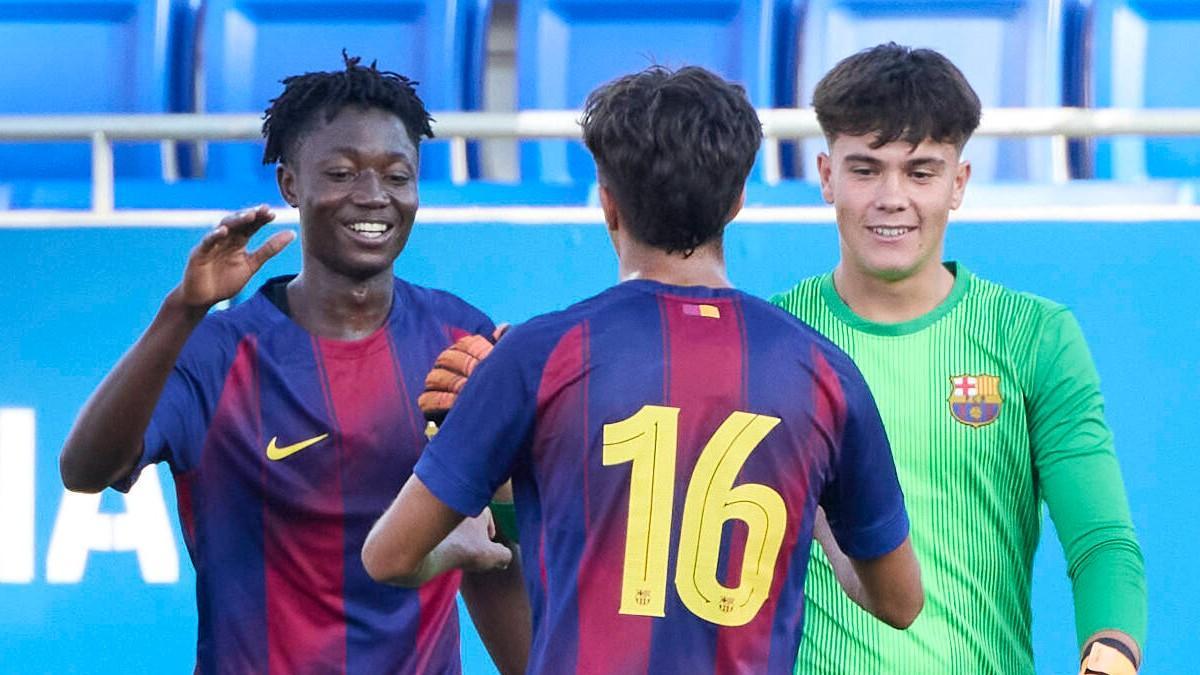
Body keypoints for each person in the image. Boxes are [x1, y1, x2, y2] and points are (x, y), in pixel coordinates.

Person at [361, 65, 923, 674]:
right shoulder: (824, 374)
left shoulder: (537, 354)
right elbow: (899, 601)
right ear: (736, 202)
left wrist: (468, 546)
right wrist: (808, 497)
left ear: (608, 202)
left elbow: (388, 557)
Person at [58, 54, 529, 674]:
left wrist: (504, 499)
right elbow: (86, 470)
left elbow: (496, 547)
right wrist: (182, 310)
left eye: (397, 175)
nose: (373, 197)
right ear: (289, 185)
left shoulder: (457, 337)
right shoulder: (216, 352)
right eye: (341, 172)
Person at [772, 43, 1147, 674]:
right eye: (865, 170)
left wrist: (1110, 656)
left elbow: (1102, 544)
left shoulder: (1035, 336)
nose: (892, 197)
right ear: (826, 176)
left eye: (920, 172)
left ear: (959, 184)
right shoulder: (772, 339)